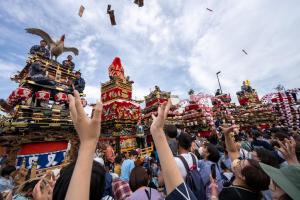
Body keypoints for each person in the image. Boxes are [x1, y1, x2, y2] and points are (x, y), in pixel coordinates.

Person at [218, 125, 270, 200]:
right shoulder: (251, 186)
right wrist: (226, 134)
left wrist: (214, 195)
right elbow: (233, 151)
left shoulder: (231, 196)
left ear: (242, 176)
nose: (238, 161)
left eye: (240, 163)